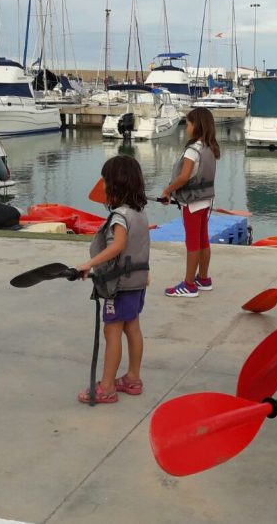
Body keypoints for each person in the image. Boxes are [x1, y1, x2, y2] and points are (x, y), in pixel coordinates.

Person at [77, 155, 150, 403]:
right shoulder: (139, 214)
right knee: (133, 327)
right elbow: (140, 247)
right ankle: (132, 378)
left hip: (118, 287)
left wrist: (89, 264)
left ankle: (107, 387)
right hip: (137, 283)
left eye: (105, 181)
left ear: (114, 185)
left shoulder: (119, 217)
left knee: (112, 331)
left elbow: (118, 246)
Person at [161, 108, 220, 298]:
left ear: (196, 126)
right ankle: (203, 278)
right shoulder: (209, 147)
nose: (187, 127)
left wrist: (168, 190)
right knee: (203, 240)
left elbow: (184, 177)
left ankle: (188, 285)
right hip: (205, 201)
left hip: (192, 204)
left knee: (192, 243)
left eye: (188, 124)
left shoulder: (192, 150)